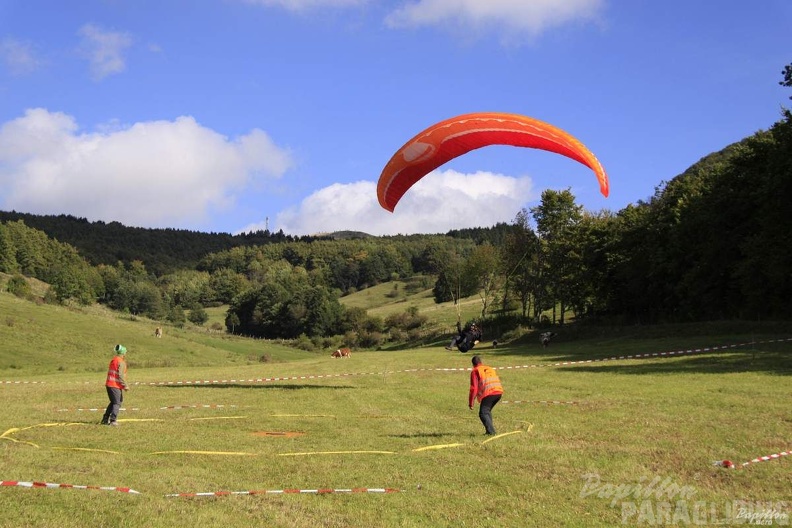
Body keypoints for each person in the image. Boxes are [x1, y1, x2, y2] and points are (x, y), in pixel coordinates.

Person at [468, 355, 504, 435]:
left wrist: (471, 402)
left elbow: (474, 388)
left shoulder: (475, 371)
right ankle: (489, 431)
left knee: (483, 413)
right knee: (486, 411)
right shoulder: (489, 368)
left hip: (489, 393)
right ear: (481, 362)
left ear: (473, 364)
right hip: (498, 391)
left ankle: (491, 432)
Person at [101, 344, 129, 426]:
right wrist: (125, 385)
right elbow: (120, 375)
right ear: (123, 353)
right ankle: (113, 420)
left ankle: (105, 419)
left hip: (109, 384)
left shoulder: (114, 360)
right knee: (117, 403)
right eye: (125, 352)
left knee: (113, 402)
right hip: (114, 385)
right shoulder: (121, 362)